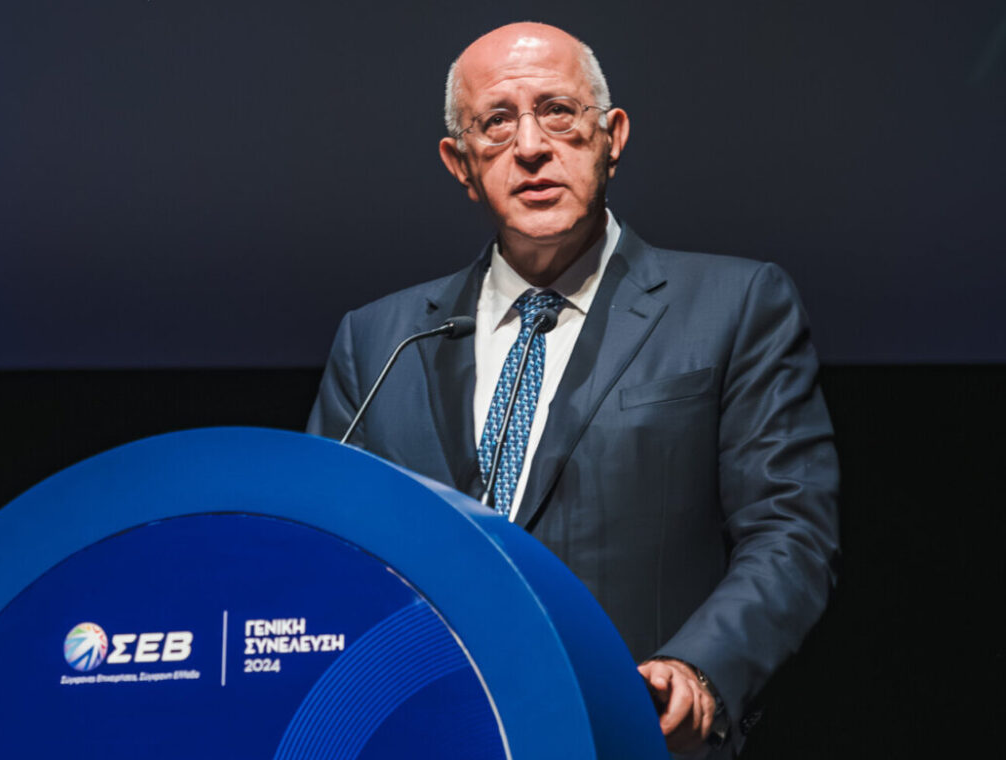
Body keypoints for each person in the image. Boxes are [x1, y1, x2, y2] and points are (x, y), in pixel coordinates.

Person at [307, 22, 839, 757]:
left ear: (611, 137)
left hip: (631, 731)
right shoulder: (379, 341)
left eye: (557, 111)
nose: (530, 146)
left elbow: (790, 530)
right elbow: (327, 556)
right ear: (460, 164)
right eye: (496, 123)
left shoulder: (734, 306)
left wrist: (700, 669)